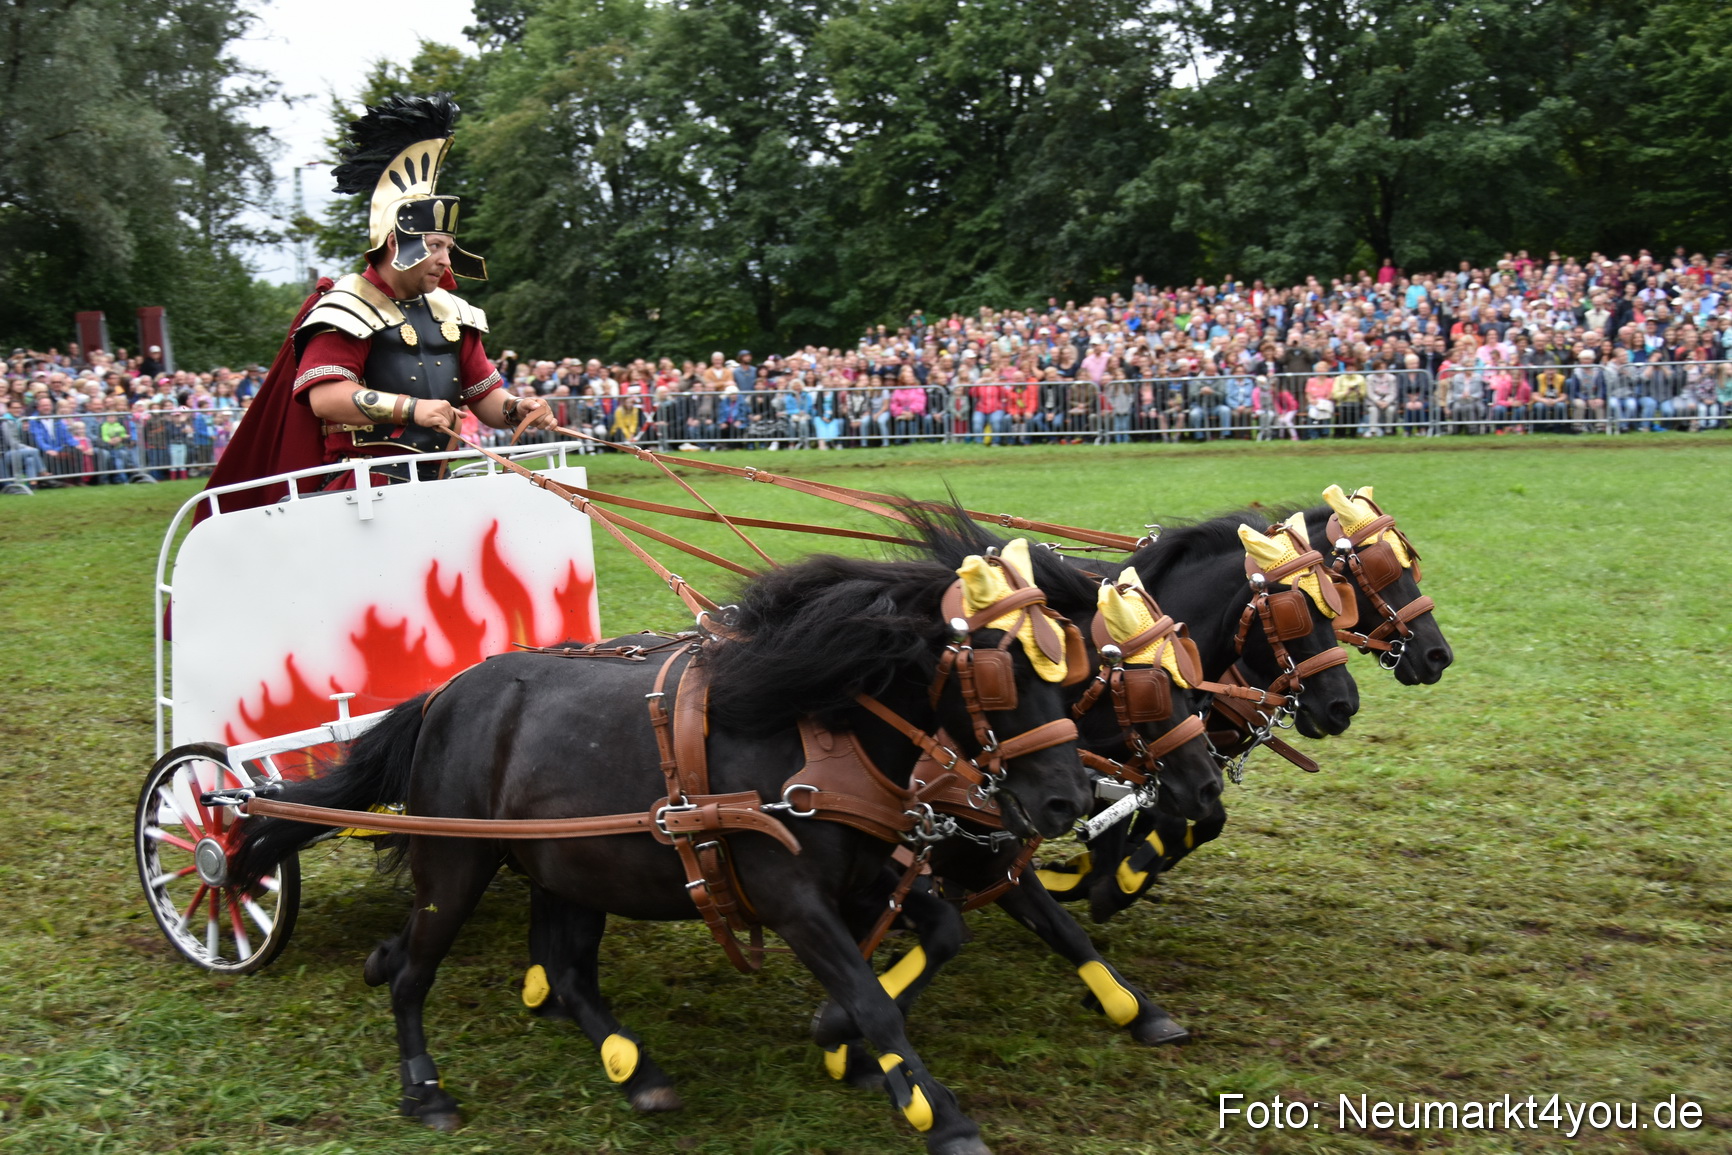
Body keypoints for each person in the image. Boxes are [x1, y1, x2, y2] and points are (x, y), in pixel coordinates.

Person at [199, 94, 552, 514]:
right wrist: (412, 409)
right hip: (361, 490)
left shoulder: (451, 313)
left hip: (437, 480)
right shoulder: (347, 305)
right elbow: (325, 397)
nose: (445, 259)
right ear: (395, 244)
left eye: (449, 246)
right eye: (435, 245)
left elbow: (485, 397)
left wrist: (517, 409)